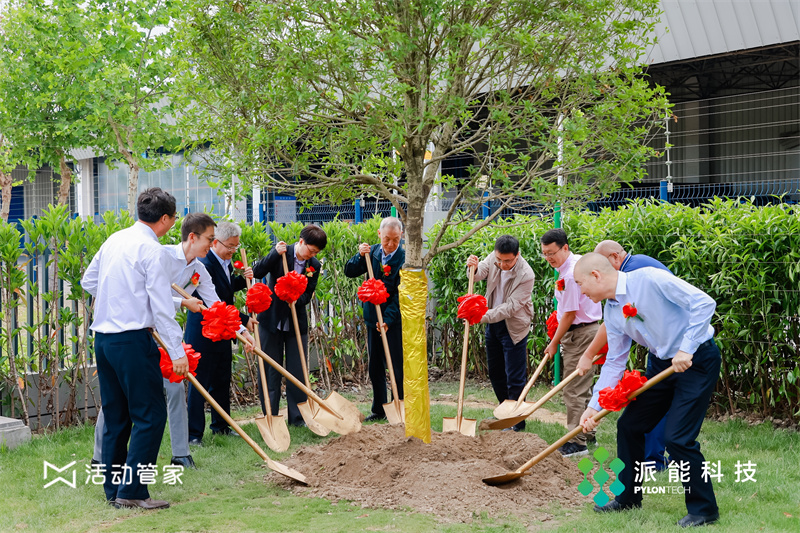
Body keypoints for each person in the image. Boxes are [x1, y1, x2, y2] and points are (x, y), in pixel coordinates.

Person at [575, 253, 720, 528]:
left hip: (697, 360)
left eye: (580, 284)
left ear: (596, 275)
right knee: (629, 426)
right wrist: (594, 407)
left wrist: (686, 348)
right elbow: (615, 361)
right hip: (662, 365)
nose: (581, 291)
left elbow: (704, 302)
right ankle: (628, 498)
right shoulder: (611, 311)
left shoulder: (650, 279)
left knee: (677, 438)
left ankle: (704, 510)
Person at [81, 188, 187, 510]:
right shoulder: (152, 249)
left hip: (104, 339)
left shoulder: (114, 239)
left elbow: (89, 281)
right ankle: (133, 491)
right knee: (150, 414)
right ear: (165, 219)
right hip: (131, 340)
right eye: (173, 218)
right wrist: (177, 351)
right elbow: (161, 306)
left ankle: (114, 491)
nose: (173, 223)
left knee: (116, 416)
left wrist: (121, 298)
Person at [577, 240, 672, 471]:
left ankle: (654, 459)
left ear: (615, 258)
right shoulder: (619, 288)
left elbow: (613, 325)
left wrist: (589, 353)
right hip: (660, 353)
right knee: (638, 418)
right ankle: (647, 463)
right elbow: (614, 328)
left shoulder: (635, 274)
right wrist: (595, 406)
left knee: (668, 418)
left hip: (681, 353)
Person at [185, 220, 257, 446]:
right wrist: (243, 321)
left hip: (224, 331)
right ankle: (194, 434)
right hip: (203, 332)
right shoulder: (203, 264)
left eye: (236, 246)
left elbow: (225, 290)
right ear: (215, 242)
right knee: (199, 384)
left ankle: (221, 427)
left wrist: (243, 280)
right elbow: (213, 300)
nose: (233, 251)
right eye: (230, 246)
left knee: (222, 381)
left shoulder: (226, 262)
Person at [251, 225, 326, 427]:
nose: (312, 255)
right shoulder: (282, 253)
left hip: (295, 323)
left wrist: (296, 299)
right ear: (301, 241)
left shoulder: (314, 265)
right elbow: (257, 271)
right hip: (271, 320)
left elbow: (308, 294)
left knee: (297, 371)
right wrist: (274, 254)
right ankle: (271, 415)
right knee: (270, 370)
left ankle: (298, 417)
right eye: (311, 250)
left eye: (316, 253)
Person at [540, 228, 602, 456]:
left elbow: (569, 314)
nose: (548, 258)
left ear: (564, 247)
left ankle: (576, 442)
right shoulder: (575, 263)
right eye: (545, 254)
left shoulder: (569, 275)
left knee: (574, 389)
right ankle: (588, 433)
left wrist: (554, 342)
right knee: (583, 387)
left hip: (580, 334)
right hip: (587, 330)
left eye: (552, 253)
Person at [466, 235, 534, 432]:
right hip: (493, 324)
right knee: (495, 372)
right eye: (499, 260)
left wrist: (481, 316)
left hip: (514, 326)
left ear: (517, 255)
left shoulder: (526, 274)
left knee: (514, 376)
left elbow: (510, 308)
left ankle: (516, 422)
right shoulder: (494, 258)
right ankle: (504, 414)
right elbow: (477, 275)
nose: (502, 265)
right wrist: (473, 267)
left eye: (507, 261)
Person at [343, 217, 405, 422]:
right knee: (375, 366)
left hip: (393, 322)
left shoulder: (404, 260)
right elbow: (349, 271)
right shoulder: (372, 253)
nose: (391, 244)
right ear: (380, 234)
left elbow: (400, 295)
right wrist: (360, 256)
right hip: (372, 319)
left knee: (396, 365)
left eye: (395, 240)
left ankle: (399, 405)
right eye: (387, 239)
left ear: (401, 236)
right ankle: (379, 409)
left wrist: (387, 319)